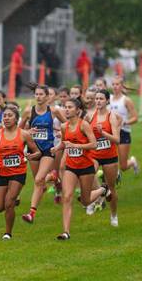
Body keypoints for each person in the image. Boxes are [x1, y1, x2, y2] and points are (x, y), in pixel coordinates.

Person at [53, 98, 110, 239]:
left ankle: (103, 189)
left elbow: (94, 144)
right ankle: (66, 232)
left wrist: (77, 146)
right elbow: (64, 143)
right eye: (65, 107)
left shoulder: (84, 125)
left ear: (78, 110)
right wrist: (56, 148)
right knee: (67, 197)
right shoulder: (64, 126)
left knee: (85, 201)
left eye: (70, 107)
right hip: (71, 167)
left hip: (86, 167)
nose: (66, 109)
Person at [0, 105, 41, 240]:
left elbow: (37, 151)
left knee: (9, 202)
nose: (6, 118)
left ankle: (7, 233)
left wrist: (31, 156)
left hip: (18, 172)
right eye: (5, 116)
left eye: (10, 116)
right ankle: (10, 205)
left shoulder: (24, 134)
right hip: (2, 173)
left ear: (16, 118)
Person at [19, 85, 66, 223]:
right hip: (33, 150)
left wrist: (61, 133)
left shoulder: (54, 111)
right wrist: (28, 133)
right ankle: (55, 178)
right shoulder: (28, 111)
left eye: (41, 94)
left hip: (47, 150)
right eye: (36, 94)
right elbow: (18, 131)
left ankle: (31, 214)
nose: (38, 97)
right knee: (40, 184)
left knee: (39, 179)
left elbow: (69, 125)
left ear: (47, 96)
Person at [87, 90, 122, 227]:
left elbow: (117, 139)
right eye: (96, 98)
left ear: (107, 101)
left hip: (110, 156)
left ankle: (114, 215)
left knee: (112, 188)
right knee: (88, 176)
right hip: (94, 154)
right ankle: (92, 201)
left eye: (101, 98)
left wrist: (103, 133)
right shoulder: (90, 116)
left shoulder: (111, 117)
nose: (98, 101)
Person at [109, 77, 139, 175]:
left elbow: (135, 118)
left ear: (122, 86)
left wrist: (124, 122)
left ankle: (133, 162)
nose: (115, 86)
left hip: (123, 132)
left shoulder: (126, 100)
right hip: (111, 132)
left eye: (117, 84)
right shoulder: (108, 99)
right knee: (108, 160)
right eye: (113, 84)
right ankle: (113, 176)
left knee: (123, 166)